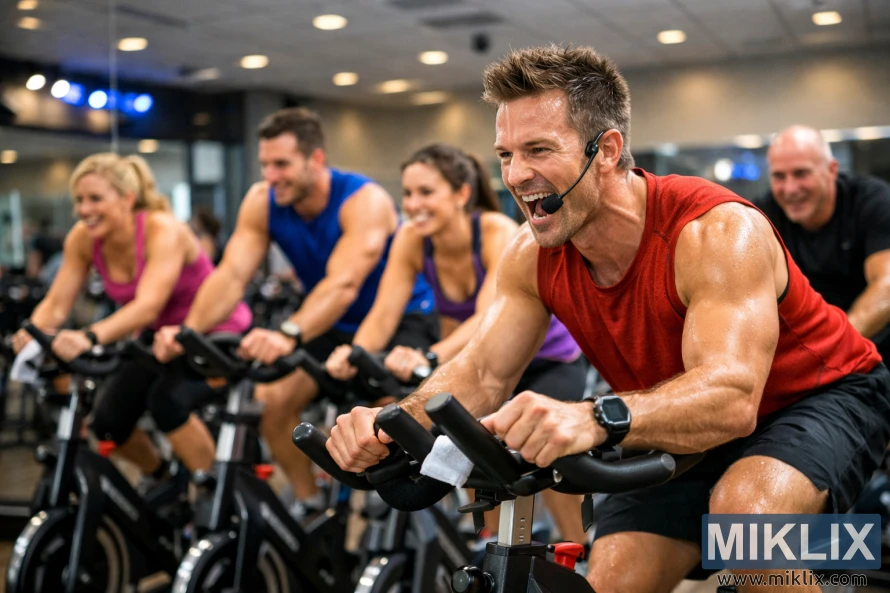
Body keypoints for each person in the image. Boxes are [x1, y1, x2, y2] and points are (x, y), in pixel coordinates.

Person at [327, 45, 890, 592]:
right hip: (680, 421)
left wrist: (595, 417)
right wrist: (394, 421)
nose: (516, 175)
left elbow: (732, 399)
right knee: (611, 581)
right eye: (505, 155)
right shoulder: (531, 254)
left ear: (607, 149)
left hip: (819, 396)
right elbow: (482, 372)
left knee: (746, 528)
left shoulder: (715, 231)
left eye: (538, 150)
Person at [153, 107, 437, 516]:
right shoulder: (262, 200)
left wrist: (287, 333)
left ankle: (408, 514)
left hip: (397, 318)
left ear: (315, 159)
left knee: (392, 416)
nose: (271, 176)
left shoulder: (364, 200)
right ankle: (309, 503)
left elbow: (343, 284)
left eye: (282, 164)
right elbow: (231, 275)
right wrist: (188, 333)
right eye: (265, 164)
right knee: (272, 400)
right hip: (330, 322)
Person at [325, 142, 588, 544]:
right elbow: (384, 312)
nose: (413, 204)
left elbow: (488, 316)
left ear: (462, 194)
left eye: (426, 192)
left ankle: (579, 552)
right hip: (484, 363)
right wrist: (355, 352)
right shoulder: (412, 239)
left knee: (548, 454)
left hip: (546, 359)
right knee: (469, 445)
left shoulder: (496, 232)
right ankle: (492, 545)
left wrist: (430, 355)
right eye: (408, 193)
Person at [10, 153, 252, 479]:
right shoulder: (83, 238)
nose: (84, 209)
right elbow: (56, 304)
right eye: (79, 200)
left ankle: (215, 491)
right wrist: (34, 330)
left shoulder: (162, 229)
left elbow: (147, 306)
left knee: (166, 402)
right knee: (108, 423)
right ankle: (163, 479)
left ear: (127, 199)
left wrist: (88, 337)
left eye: (95, 198)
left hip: (211, 330)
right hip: (157, 337)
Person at [757, 125, 890, 362]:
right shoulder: (763, 215)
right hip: (810, 351)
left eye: (801, 174)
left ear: (832, 170)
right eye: (779, 176)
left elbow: (886, 284)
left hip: (874, 348)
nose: (790, 189)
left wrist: (832, 346)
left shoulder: (872, 201)